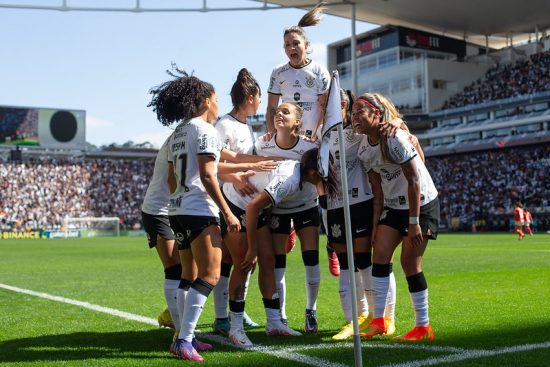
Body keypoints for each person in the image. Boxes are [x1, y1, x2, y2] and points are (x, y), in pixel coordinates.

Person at [148, 69, 241, 362]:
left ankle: (184, 336)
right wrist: (227, 212)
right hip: (199, 209)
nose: (217, 106)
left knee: (188, 277)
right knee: (210, 274)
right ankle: (184, 340)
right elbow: (208, 174)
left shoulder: (178, 132)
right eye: (215, 100)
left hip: (177, 210)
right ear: (205, 102)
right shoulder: (204, 130)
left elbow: (175, 178)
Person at [353, 92, 440, 341]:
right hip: (392, 206)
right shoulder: (363, 148)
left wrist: (414, 223)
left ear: (377, 114)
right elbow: (378, 191)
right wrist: (374, 226)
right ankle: (379, 321)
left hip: (421, 204)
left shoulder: (394, 138)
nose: (354, 116)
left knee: (410, 264)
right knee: (379, 256)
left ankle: (423, 327)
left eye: (361, 111)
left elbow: (414, 179)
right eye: (353, 112)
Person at [327, 89, 396, 340]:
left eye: (335, 105)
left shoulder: (357, 133)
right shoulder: (322, 137)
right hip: (334, 207)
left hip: (360, 203)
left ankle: (385, 317)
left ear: (344, 106)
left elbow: (387, 124)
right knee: (346, 265)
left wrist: (396, 122)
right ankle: (354, 318)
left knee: (367, 261)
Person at [255, 102, 320, 333]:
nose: (279, 114)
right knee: (277, 263)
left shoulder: (311, 146)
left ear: (298, 121)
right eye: (276, 111)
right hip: (278, 207)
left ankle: (311, 310)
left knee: (311, 258)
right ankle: (280, 315)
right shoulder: (261, 145)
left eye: (286, 111)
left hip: (306, 205)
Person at [212, 68, 263, 337]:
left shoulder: (247, 125)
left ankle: (228, 314)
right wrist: (236, 178)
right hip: (230, 204)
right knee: (243, 261)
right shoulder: (224, 125)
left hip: (246, 203)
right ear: (252, 96)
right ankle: (229, 318)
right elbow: (212, 161)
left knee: (231, 261)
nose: (260, 101)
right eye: (260, 96)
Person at [266, 2, 330, 140]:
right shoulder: (278, 72)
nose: (291, 48)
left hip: (313, 138)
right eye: (287, 45)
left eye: (296, 43)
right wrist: (274, 136)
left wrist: (316, 137)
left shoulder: (320, 71)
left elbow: (325, 108)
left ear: (306, 45)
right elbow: (271, 108)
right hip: (287, 139)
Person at [141, 137, 181, 335]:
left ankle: (172, 314)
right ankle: (179, 331)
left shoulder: (198, 132)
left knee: (197, 267)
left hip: (177, 208)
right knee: (175, 267)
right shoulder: (181, 136)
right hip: (160, 210)